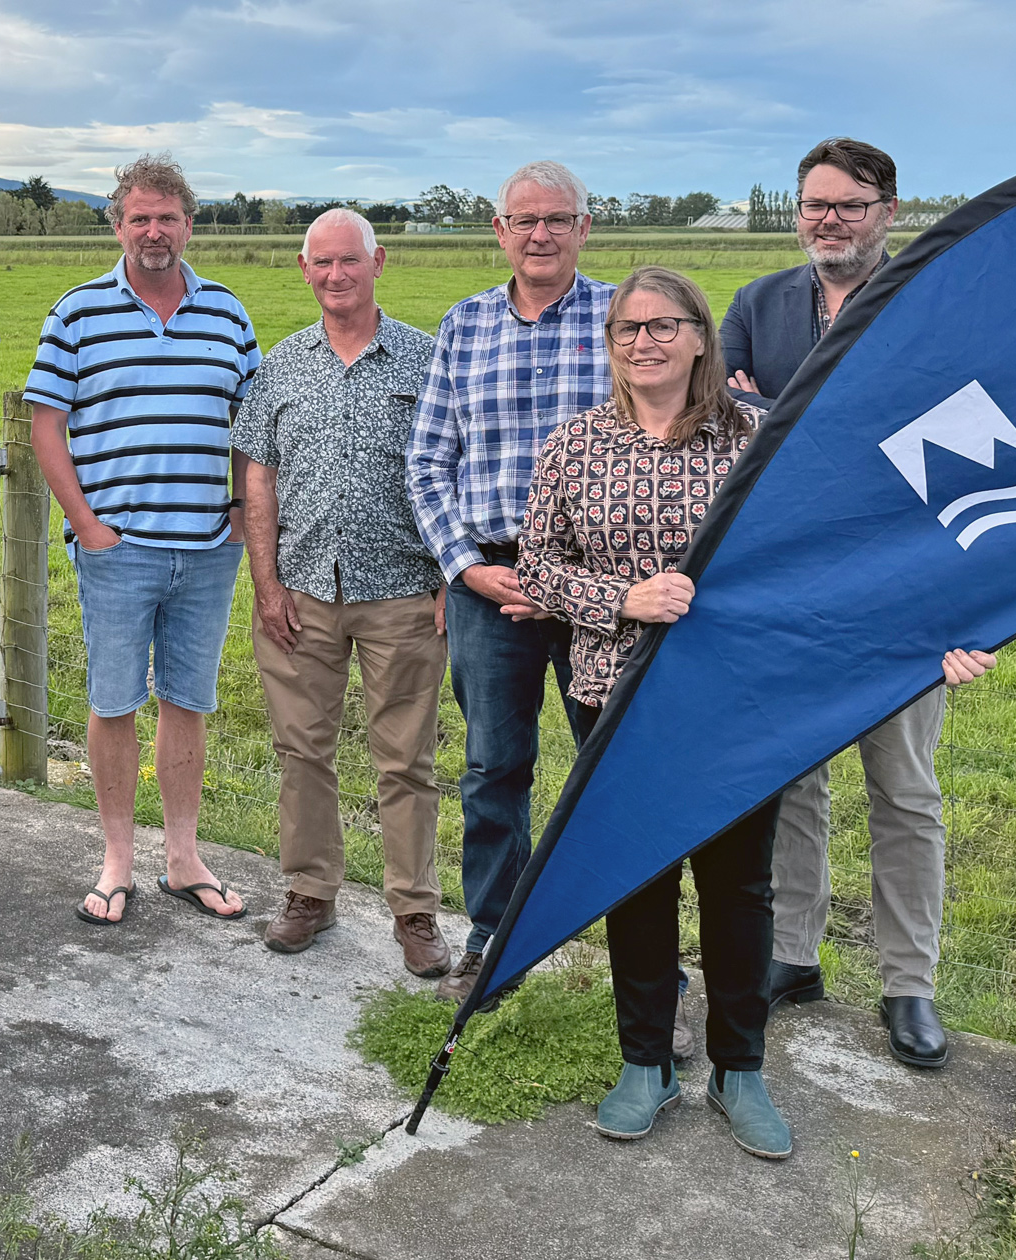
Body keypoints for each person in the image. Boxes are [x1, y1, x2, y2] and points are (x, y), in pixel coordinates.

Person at [521, 265, 995, 1161]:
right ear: (610, 346)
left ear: (704, 337)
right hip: (613, 699)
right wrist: (626, 598)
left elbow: (840, 558)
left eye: (665, 325)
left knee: (740, 887)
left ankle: (739, 1068)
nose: (645, 342)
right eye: (628, 328)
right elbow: (539, 566)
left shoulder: (761, 442)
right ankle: (645, 1061)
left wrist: (938, 639)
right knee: (637, 881)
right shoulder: (574, 446)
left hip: (740, 703)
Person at [722, 137, 959, 1069]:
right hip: (789, 589)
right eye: (815, 205)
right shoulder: (759, 305)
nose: (829, 220)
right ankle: (794, 956)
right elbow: (736, 434)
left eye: (849, 206)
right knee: (795, 781)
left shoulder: (933, 306)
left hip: (906, 592)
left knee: (905, 790)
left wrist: (782, 417)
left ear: (888, 212)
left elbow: (955, 442)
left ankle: (910, 984)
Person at [26, 154, 259, 925]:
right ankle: (117, 860)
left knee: (187, 701)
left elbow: (250, 425)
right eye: (139, 217)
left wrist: (237, 512)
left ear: (189, 224)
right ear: (118, 224)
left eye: (168, 217)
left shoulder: (228, 312)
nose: (154, 231)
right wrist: (89, 527)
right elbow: (45, 425)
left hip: (207, 550)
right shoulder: (78, 311)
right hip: (117, 548)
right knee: (114, 701)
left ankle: (183, 858)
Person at [405, 160, 612, 1004]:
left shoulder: (621, 320)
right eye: (524, 220)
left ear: (583, 230)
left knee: (612, 763)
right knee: (495, 765)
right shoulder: (465, 325)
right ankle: (494, 931)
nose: (540, 234)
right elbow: (427, 463)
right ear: (500, 231)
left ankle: (636, 935)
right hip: (489, 582)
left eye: (557, 219)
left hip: (602, 589)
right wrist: (470, 570)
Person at [232, 209, 448, 974]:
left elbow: (449, 472)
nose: (335, 276)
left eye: (348, 261)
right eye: (320, 263)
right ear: (304, 270)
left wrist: (449, 576)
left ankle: (415, 910)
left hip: (404, 593)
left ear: (378, 261)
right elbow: (258, 477)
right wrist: (266, 584)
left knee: (406, 761)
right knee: (302, 752)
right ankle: (309, 893)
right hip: (302, 594)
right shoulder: (280, 367)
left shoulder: (427, 361)